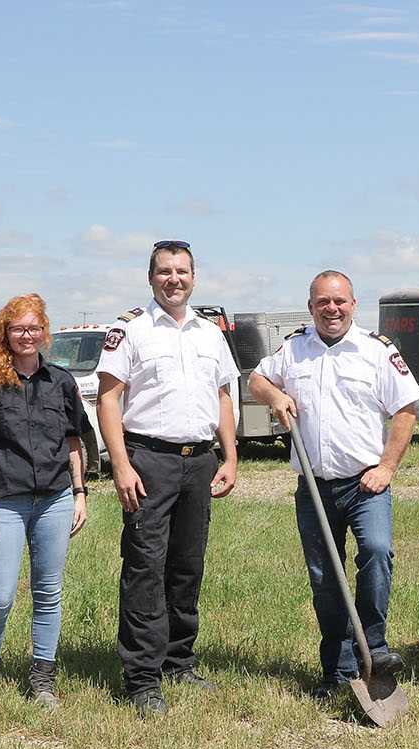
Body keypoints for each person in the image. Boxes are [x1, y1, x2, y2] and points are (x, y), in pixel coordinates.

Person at [249, 270, 419, 700]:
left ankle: (375, 649)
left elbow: (406, 408)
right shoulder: (293, 349)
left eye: (340, 301)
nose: (332, 309)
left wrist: (387, 467)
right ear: (311, 307)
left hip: (365, 484)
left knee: (377, 554)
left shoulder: (376, 351)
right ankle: (339, 670)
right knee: (326, 578)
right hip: (314, 486)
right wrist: (275, 397)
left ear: (353, 305)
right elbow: (257, 379)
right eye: (323, 302)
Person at [95, 240, 240, 718]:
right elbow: (109, 400)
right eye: (164, 271)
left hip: (198, 462)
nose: (173, 279)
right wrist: (120, 465)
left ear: (194, 278)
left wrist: (230, 456)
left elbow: (222, 397)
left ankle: (179, 661)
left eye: (181, 271)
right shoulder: (130, 331)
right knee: (144, 567)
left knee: (186, 566)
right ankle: (141, 678)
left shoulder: (210, 334)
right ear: (151, 278)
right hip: (148, 461)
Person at [0, 292, 90, 721]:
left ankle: (43, 680)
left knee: (48, 593)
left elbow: (74, 441)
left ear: (43, 332)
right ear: (5, 334)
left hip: (54, 500)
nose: (26, 335)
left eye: (33, 328)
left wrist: (80, 492)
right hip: (3, 503)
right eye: (17, 329)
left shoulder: (61, 381)